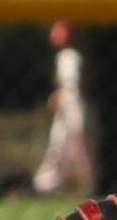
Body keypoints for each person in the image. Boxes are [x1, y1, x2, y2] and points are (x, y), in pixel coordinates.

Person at [32, 19, 97, 198]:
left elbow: (70, 84)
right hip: (76, 106)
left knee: (61, 146)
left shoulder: (67, 56)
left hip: (70, 106)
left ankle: (46, 185)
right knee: (79, 149)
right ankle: (84, 185)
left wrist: (58, 96)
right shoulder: (74, 55)